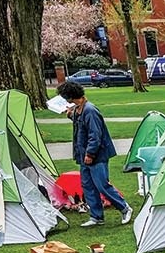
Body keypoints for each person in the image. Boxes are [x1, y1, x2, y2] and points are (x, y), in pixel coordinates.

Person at [57, 80, 132, 227]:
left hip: (96, 156)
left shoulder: (90, 110)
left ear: (70, 96)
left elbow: (95, 134)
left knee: (102, 184)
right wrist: (70, 115)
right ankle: (96, 216)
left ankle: (124, 208)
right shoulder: (80, 109)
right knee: (88, 186)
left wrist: (90, 154)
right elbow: (80, 123)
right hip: (83, 156)